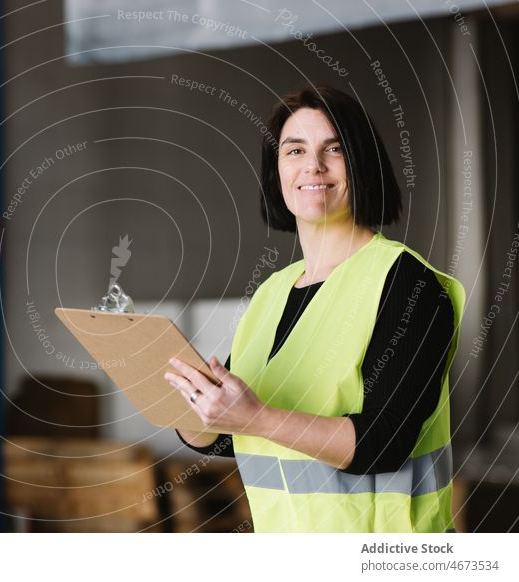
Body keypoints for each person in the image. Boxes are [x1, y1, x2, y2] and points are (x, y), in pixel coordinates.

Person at [165, 85, 464, 533]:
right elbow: (231, 436)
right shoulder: (271, 293)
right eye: (294, 150)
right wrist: (192, 406)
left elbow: (384, 443)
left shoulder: (407, 284)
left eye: (335, 149)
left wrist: (255, 417)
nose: (313, 166)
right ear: (276, 170)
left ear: (362, 163)